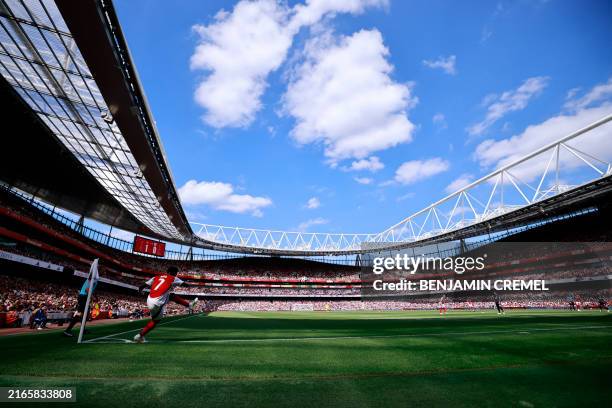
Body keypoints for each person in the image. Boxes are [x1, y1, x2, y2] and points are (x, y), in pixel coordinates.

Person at [133, 266, 197, 343]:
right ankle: (139, 336)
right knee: (155, 321)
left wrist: (140, 293)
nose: (176, 275)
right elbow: (186, 285)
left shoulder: (156, 277)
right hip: (158, 302)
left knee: (170, 295)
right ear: (173, 273)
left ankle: (140, 336)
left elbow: (141, 287)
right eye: (176, 273)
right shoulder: (173, 278)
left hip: (149, 299)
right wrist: (189, 282)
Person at [63, 271, 99, 337]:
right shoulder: (91, 280)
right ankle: (67, 331)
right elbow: (87, 290)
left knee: (85, 314)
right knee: (79, 314)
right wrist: (93, 297)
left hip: (84, 297)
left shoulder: (94, 280)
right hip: (83, 297)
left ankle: (82, 329)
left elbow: (90, 290)